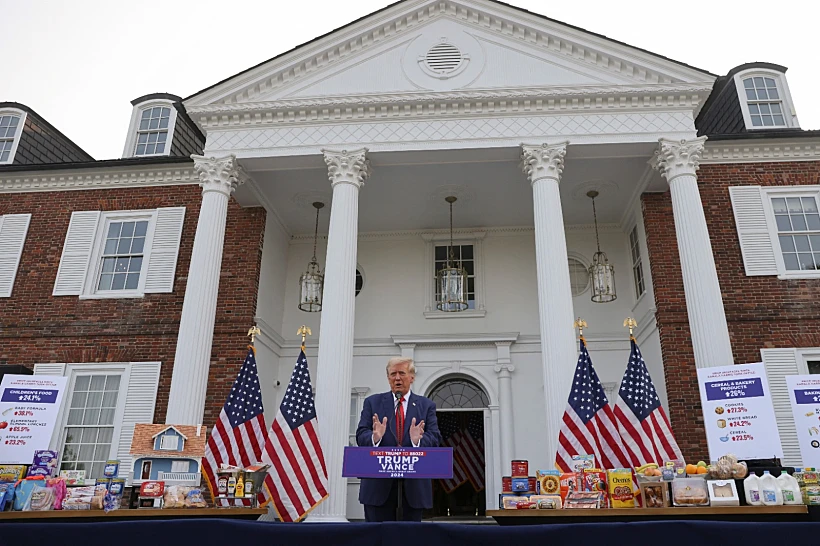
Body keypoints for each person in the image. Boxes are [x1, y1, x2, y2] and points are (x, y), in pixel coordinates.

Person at [356, 357, 441, 522]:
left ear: (412, 377)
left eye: (402, 373)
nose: (397, 378)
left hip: (413, 488)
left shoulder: (426, 405)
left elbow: (435, 437)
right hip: (377, 487)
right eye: (393, 374)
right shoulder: (372, 403)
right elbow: (361, 434)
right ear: (388, 378)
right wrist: (375, 437)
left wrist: (418, 441)